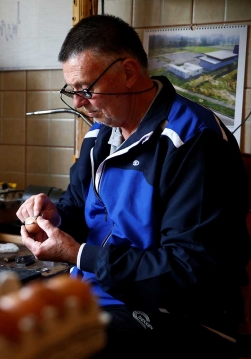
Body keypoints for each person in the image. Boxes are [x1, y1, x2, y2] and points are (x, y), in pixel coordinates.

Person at [16, 14, 251, 359]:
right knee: (0, 326)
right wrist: (55, 219)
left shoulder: (192, 141)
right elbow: (79, 206)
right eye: (73, 91)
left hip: (176, 315)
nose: (78, 102)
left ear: (127, 73)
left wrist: (79, 254)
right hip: (98, 293)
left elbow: (187, 270)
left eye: (86, 89)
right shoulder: (99, 136)